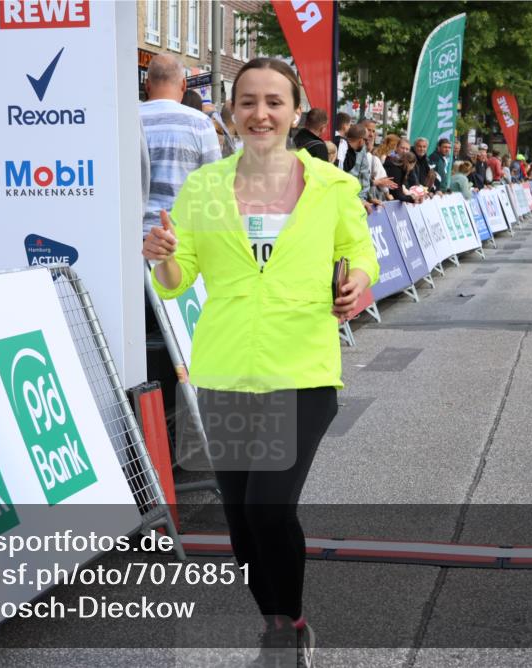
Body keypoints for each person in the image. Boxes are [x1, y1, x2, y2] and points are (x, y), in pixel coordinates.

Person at [143, 57, 378, 668]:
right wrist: (162, 255)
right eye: (247, 101)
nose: (261, 113)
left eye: (274, 101)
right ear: (230, 112)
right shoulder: (206, 187)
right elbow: (177, 279)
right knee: (241, 523)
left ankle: (295, 622)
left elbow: (360, 254)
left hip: (301, 368)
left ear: (296, 111)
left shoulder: (332, 186)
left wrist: (357, 284)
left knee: (269, 507)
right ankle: (274, 621)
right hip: (224, 370)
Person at [139, 53, 221, 238]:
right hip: (181, 237)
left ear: (147, 85)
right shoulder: (200, 123)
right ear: (183, 84)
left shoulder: (127, 119)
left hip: (134, 238)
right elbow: (213, 184)